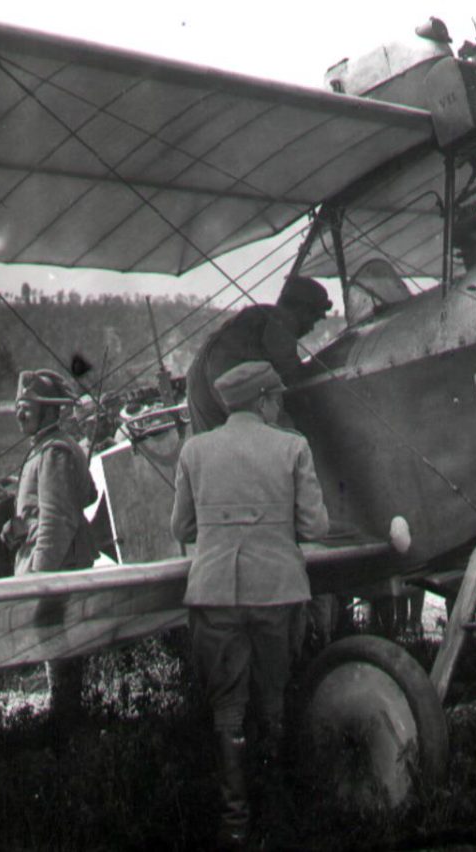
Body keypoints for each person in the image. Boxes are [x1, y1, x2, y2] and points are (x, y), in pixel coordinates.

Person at [171, 361, 329, 848]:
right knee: (274, 704)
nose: (279, 404)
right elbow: (315, 529)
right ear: (262, 401)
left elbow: (181, 529)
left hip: (214, 593)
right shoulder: (292, 447)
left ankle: (235, 825)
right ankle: (278, 815)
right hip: (278, 591)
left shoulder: (195, 450)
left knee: (228, 713)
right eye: (276, 397)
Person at [2, 369, 98, 725]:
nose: (20, 414)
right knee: (59, 645)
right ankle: (67, 715)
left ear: (50, 412)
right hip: (60, 559)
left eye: (28, 407)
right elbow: (84, 494)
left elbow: (57, 521)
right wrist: (22, 522)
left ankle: (65, 722)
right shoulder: (48, 447)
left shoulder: (54, 451)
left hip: (57, 565)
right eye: (18, 407)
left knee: (59, 644)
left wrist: (40, 579)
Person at [185, 277, 333, 433]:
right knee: (278, 438)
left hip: (198, 373)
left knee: (212, 444)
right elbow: (291, 373)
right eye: (314, 319)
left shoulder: (255, 317)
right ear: (302, 310)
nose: (312, 327)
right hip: (226, 370)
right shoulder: (283, 318)